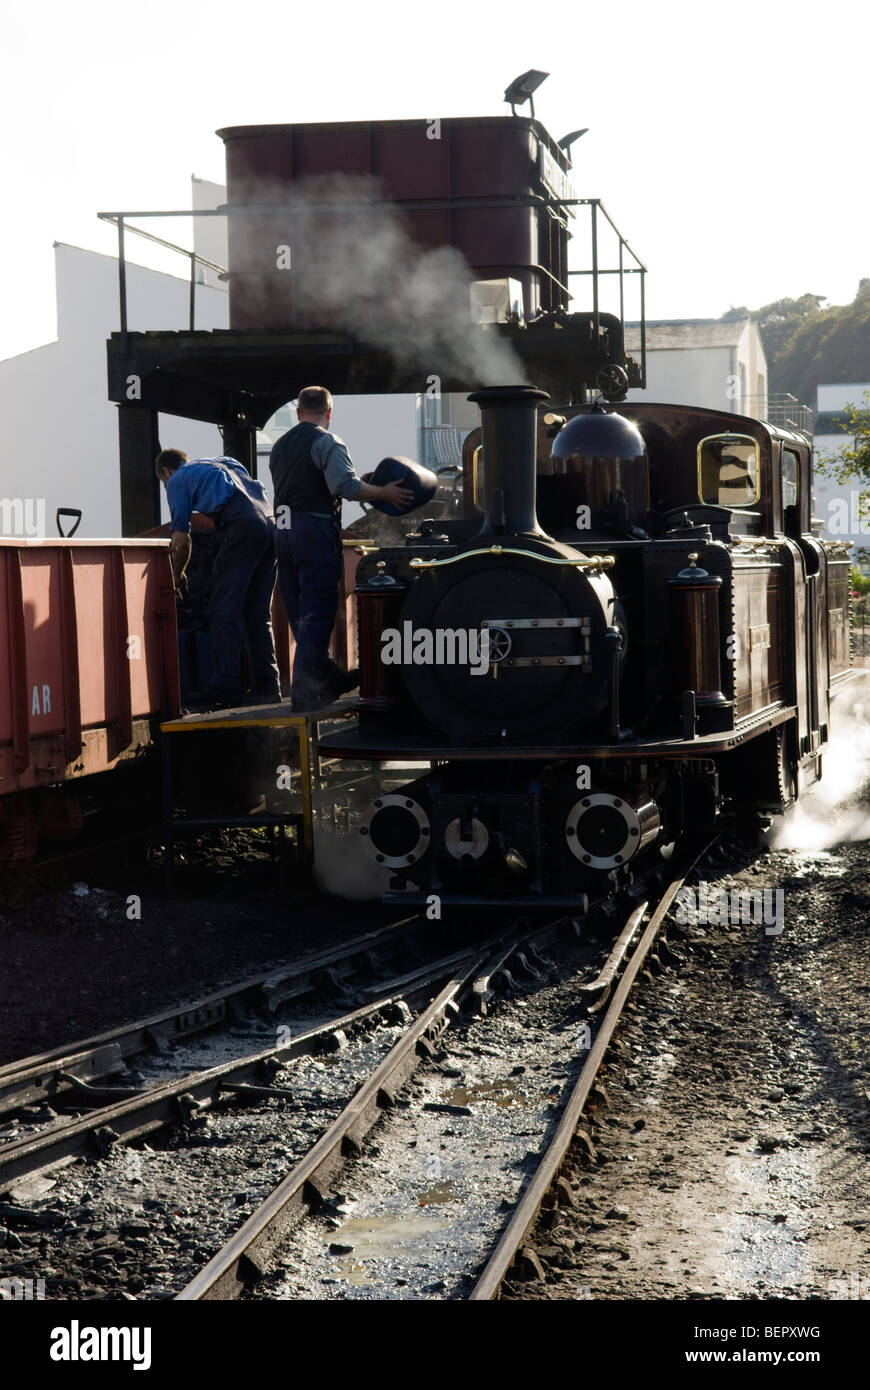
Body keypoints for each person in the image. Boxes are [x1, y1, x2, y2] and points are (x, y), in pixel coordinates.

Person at [270, 386, 413, 710]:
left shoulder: (280, 445)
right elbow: (343, 486)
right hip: (312, 529)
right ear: (329, 412)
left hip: (282, 529)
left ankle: (328, 677)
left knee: (298, 611)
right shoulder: (327, 441)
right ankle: (306, 694)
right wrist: (384, 493)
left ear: (298, 413)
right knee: (318, 610)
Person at [156, 449, 281, 711]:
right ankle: (269, 688)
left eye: (163, 482)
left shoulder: (177, 481)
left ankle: (225, 688)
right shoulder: (225, 462)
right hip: (270, 524)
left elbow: (181, 538)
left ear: (166, 472)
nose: (167, 487)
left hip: (241, 526)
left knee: (223, 610)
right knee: (258, 614)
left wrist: (175, 574)